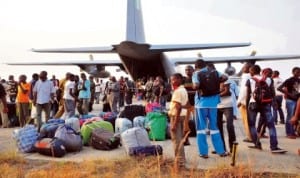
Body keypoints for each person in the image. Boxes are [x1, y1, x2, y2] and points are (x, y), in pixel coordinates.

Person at [192, 59, 228, 158]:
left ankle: (203, 152)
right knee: (214, 127)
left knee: (201, 129)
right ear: (205, 65)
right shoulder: (215, 72)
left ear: (196, 66)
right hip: (213, 104)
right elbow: (225, 77)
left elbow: (196, 86)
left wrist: (197, 87)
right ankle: (220, 151)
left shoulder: (196, 74)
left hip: (201, 104)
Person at [246, 65, 286, 153]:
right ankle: (274, 147)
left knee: (252, 125)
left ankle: (257, 144)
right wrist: (274, 103)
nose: (250, 72)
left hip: (253, 104)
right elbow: (272, 92)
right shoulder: (269, 79)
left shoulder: (250, 80)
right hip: (266, 103)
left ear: (252, 71)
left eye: (250, 71)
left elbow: (248, 94)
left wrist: (246, 106)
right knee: (271, 126)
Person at [168, 73, 188, 169]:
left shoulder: (178, 92)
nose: (172, 82)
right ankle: (182, 159)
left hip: (176, 116)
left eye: (174, 79)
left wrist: (174, 123)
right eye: (171, 80)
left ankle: (179, 162)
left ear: (179, 79)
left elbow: (178, 107)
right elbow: (186, 105)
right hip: (181, 116)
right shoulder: (183, 89)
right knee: (179, 139)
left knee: (176, 140)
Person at [277, 67, 300, 139]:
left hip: (297, 100)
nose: (298, 73)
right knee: (290, 116)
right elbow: (279, 88)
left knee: (295, 116)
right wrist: (289, 94)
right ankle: (289, 133)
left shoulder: (299, 80)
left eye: (299, 72)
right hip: (290, 100)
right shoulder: (289, 80)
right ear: (293, 72)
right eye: (296, 72)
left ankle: (293, 131)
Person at [217, 80, 236, 153]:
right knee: (218, 128)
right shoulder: (212, 82)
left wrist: (215, 95)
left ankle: (232, 148)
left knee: (230, 126)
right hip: (216, 106)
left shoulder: (225, 80)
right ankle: (222, 148)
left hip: (227, 105)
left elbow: (227, 92)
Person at [237, 63, 253, 143]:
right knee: (249, 120)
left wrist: (240, 101)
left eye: (244, 67)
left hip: (244, 102)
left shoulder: (246, 77)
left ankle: (250, 137)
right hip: (249, 101)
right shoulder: (250, 76)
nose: (242, 68)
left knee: (246, 120)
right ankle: (252, 135)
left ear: (248, 68)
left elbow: (244, 91)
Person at [183, 65, 196, 145]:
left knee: (199, 122)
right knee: (185, 123)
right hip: (186, 104)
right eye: (186, 70)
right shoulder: (183, 80)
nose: (187, 71)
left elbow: (199, 91)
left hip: (196, 104)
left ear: (193, 70)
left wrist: (186, 92)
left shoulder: (196, 79)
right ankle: (186, 139)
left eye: (189, 70)